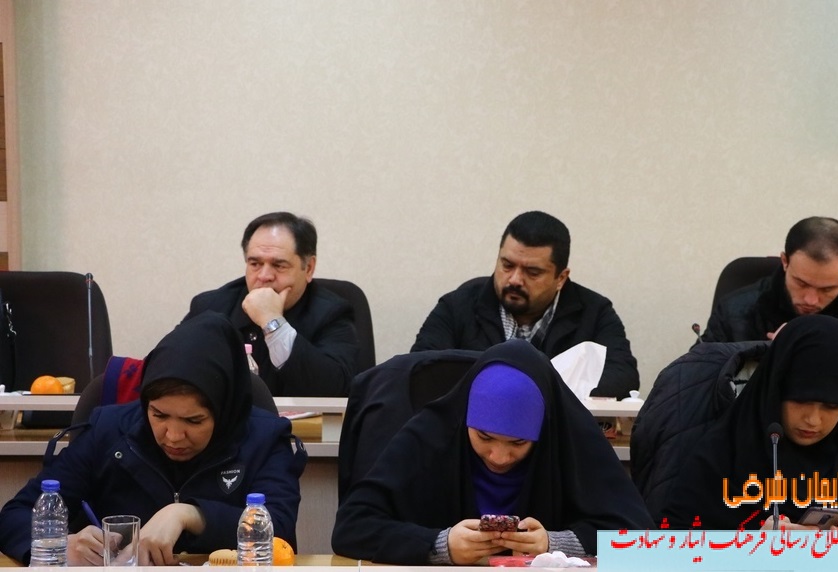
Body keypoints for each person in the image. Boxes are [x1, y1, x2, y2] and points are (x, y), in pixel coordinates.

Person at [0, 312, 307, 566]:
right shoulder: (109, 430)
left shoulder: (264, 438)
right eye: (159, 415)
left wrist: (190, 514)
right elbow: (14, 516)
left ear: (224, 409)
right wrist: (58, 545)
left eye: (193, 420)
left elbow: (279, 530)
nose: (173, 436)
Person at [332, 340, 654, 564]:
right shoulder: (430, 438)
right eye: (484, 437)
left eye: (519, 443)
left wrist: (555, 544)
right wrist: (439, 545)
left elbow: (642, 539)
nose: (498, 457)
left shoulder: (568, 442)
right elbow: (352, 527)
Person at [661, 315, 838, 530]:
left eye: (831, 406)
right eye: (800, 400)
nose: (813, 420)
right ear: (775, 390)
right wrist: (751, 545)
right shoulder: (725, 454)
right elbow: (672, 543)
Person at [411, 211, 639, 399]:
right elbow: (420, 368)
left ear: (561, 278)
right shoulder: (458, 305)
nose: (515, 280)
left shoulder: (595, 312)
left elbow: (623, 377)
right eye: (507, 265)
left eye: (532, 272)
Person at [701, 216, 838, 406]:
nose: (810, 300)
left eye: (827, 289)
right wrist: (767, 357)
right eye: (801, 283)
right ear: (785, 261)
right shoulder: (735, 310)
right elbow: (699, 381)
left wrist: (815, 359)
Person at [184, 211, 359, 396]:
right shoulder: (211, 307)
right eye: (255, 264)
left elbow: (336, 390)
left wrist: (272, 322)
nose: (264, 276)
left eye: (279, 265)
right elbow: (173, 368)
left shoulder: (332, 313)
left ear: (308, 268)